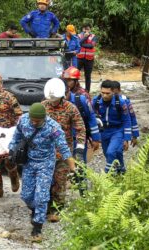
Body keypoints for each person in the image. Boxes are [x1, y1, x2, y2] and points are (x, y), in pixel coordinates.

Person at [9, 103, 74, 241]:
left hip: (46, 163)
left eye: (37, 121)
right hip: (29, 162)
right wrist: (11, 150)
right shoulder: (23, 120)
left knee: (41, 195)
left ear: (44, 118)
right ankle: (35, 210)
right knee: (26, 195)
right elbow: (16, 136)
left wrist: (74, 168)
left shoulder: (53, 128)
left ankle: (37, 227)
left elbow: (63, 149)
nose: (34, 122)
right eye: (32, 119)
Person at [42, 78, 86, 222]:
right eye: (50, 99)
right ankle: (44, 206)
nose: (52, 102)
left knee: (60, 180)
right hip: (44, 152)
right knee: (45, 180)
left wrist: (79, 148)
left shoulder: (70, 108)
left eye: (55, 100)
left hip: (63, 152)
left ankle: (57, 208)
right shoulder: (42, 107)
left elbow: (80, 129)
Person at [92, 80, 132, 174]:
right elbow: (91, 117)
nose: (105, 96)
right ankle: (121, 170)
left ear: (113, 92)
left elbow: (127, 120)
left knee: (111, 152)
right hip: (103, 132)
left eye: (107, 93)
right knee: (108, 154)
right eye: (103, 93)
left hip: (117, 131)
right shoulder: (96, 101)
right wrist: (94, 136)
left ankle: (108, 173)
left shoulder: (120, 102)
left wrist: (126, 138)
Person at [111, 81, 139, 147]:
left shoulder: (125, 100)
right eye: (112, 94)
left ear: (119, 90)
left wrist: (134, 135)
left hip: (121, 130)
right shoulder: (105, 101)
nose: (114, 96)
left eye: (115, 93)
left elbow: (132, 117)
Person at [77, 23, 98, 92]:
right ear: (82, 29)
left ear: (90, 29)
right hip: (79, 58)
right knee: (75, 75)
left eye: (88, 29)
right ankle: (75, 89)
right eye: (85, 29)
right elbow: (78, 43)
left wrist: (82, 44)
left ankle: (87, 91)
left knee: (88, 76)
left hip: (89, 59)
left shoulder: (93, 36)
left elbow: (91, 46)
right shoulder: (79, 36)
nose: (86, 31)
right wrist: (85, 37)